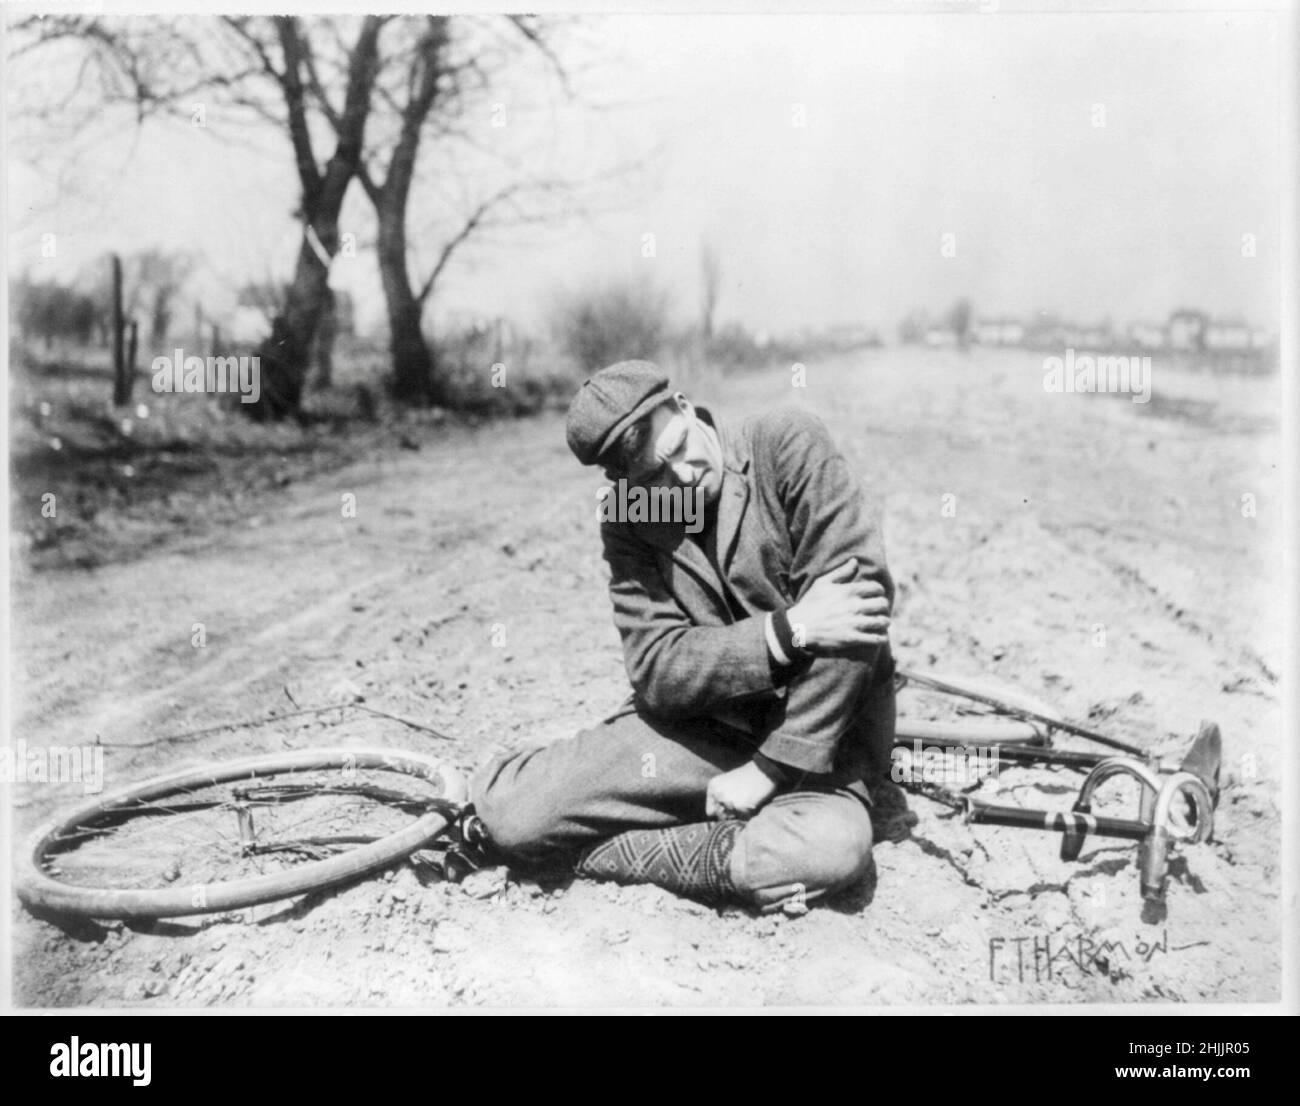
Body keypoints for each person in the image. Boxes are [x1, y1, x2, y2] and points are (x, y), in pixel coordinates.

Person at [465, 360, 898, 912]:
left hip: (822, 744)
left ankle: (598, 852)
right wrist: (789, 631)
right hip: (705, 731)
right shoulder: (630, 515)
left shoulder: (785, 443)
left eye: (678, 448)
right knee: (514, 817)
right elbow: (657, 669)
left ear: (687, 407)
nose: (683, 477)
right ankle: (689, 834)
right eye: (653, 478)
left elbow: (858, 616)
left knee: (827, 851)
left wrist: (769, 770)